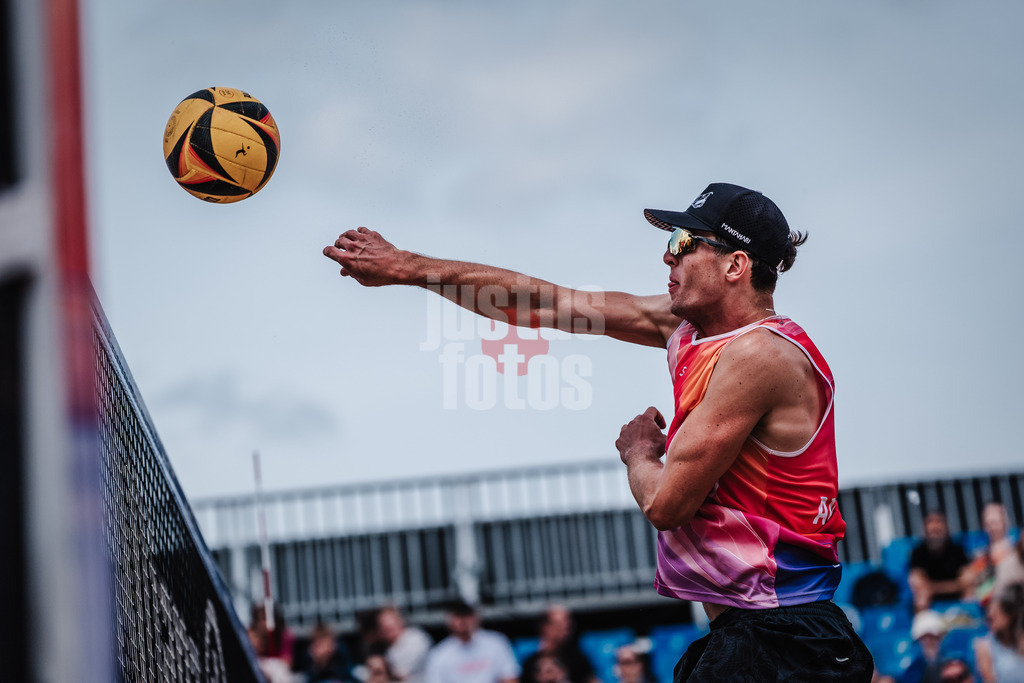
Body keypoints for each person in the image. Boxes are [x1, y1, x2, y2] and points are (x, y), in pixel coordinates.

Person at [323, 181, 873, 681]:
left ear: (735, 264)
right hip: (755, 634)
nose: (668, 254)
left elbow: (665, 504)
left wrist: (639, 452)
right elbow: (549, 303)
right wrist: (407, 267)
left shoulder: (761, 355)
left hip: (783, 638)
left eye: (684, 241)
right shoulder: (692, 331)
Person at [422, 600, 519, 683]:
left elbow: (510, 677)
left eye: (466, 616)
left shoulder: (497, 643)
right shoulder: (439, 654)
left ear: (476, 618)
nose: (463, 622)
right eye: (458, 617)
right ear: (449, 622)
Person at [909, 511, 972, 612]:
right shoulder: (918, 553)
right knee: (921, 596)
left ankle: (969, 620)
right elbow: (918, 584)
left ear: (946, 527)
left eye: (938, 521)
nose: (934, 526)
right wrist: (955, 585)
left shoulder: (958, 551)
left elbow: (967, 581)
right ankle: (923, 621)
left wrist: (932, 587)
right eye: (930, 522)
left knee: (970, 592)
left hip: (957, 597)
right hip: (931, 600)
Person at [520, 605, 597, 683]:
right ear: (545, 627)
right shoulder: (530, 663)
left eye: (568, 625)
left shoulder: (578, 660)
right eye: (560, 625)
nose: (566, 630)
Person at [966, 503, 1017, 605]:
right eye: (988, 524)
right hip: (985, 602)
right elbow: (975, 585)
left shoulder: (1016, 552)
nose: (992, 527)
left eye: (995, 522)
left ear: (1005, 522)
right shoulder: (979, 555)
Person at [973, 584, 1024, 683]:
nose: (989, 615)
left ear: (1011, 616)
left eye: (996, 614)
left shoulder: (1021, 642)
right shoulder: (984, 647)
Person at [376, 605, 432, 683]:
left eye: (390, 623)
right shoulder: (386, 648)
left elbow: (402, 674)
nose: (386, 626)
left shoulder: (416, 638)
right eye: (382, 624)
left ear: (400, 621)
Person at [898, 609, 949, 683]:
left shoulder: (953, 666)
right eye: (923, 638)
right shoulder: (914, 669)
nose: (928, 642)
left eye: (932, 637)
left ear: (940, 638)